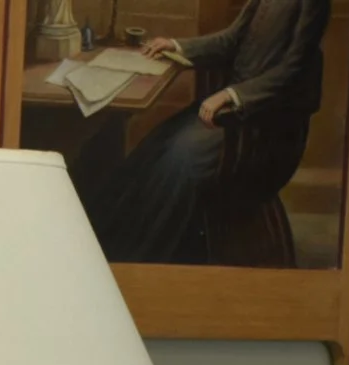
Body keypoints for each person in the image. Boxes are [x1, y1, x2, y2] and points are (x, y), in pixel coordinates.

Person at [84, 0, 329, 265]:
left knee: (180, 161)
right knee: (157, 144)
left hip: (265, 129)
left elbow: (294, 70)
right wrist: (177, 46)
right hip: (232, 117)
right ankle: (106, 247)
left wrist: (233, 95)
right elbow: (233, 39)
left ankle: (143, 260)